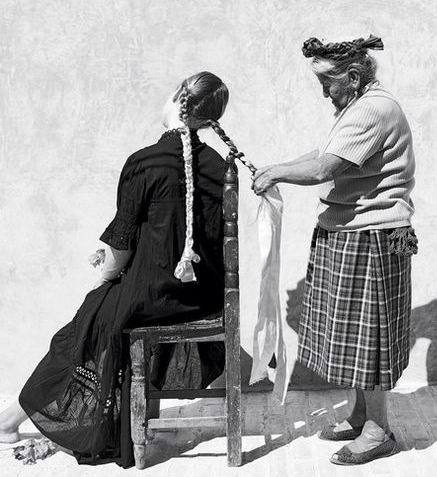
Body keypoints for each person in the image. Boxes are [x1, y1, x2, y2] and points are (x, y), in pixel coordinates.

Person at [0, 71, 255, 467]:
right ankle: (19, 417)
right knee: (97, 315)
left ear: (176, 99)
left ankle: (10, 421)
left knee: (82, 327)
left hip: (153, 297)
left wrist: (105, 273)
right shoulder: (219, 165)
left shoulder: (145, 162)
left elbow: (120, 251)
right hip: (203, 295)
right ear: (209, 118)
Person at [252, 35, 417, 465]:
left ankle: (379, 431)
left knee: (371, 336)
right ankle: (362, 415)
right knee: (354, 335)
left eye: (328, 81)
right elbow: (327, 153)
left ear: (355, 75)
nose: (324, 91)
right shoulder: (360, 106)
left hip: (372, 236)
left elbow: (327, 168)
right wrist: (277, 168)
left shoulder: (372, 109)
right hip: (352, 232)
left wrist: (278, 175)